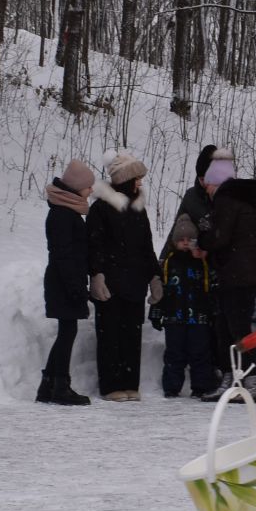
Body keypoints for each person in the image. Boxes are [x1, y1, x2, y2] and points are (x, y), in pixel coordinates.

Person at [87, 150, 159, 403]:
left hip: (135, 283)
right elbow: (93, 245)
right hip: (110, 284)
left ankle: (130, 383)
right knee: (110, 336)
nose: (140, 182)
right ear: (125, 180)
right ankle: (110, 385)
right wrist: (96, 275)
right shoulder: (101, 209)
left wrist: (154, 277)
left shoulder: (138, 210)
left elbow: (147, 246)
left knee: (131, 336)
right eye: (136, 178)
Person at [197, 151, 256, 400]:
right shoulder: (245, 202)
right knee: (227, 328)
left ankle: (249, 381)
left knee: (236, 329)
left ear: (216, 183)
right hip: (244, 272)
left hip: (238, 275)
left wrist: (204, 237)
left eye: (208, 184)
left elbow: (220, 238)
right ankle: (233, 378)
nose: (206, 189)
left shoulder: (227, 202)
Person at [39, 159, 94, 406]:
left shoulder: (66, 212)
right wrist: (75, 287)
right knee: (67, 332)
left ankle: (50, 385)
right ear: (77, 187)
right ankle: (60, 385)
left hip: (64, 280)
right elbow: (64, 256)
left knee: (66, 332)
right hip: (64, 282)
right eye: (88, 186)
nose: (91, 191)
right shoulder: (63, 215)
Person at [154, 215, 218, 399]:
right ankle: (172, 386)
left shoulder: (203, 262)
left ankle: (201, 385)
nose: (185, 243)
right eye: (181, 240)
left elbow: (211, 285)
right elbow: (161, 290)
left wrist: (212, 310)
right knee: (174, 353)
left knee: (200, 352)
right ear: (174, 242)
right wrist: (157, 312)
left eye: (189, 240)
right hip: (174, 317)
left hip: (199, 317)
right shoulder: (169, 262)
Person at [177, 144, 220, 229]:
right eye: (202, 179)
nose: (205, 183)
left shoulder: (232, 197)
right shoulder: (190, 198)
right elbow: (176, 232)